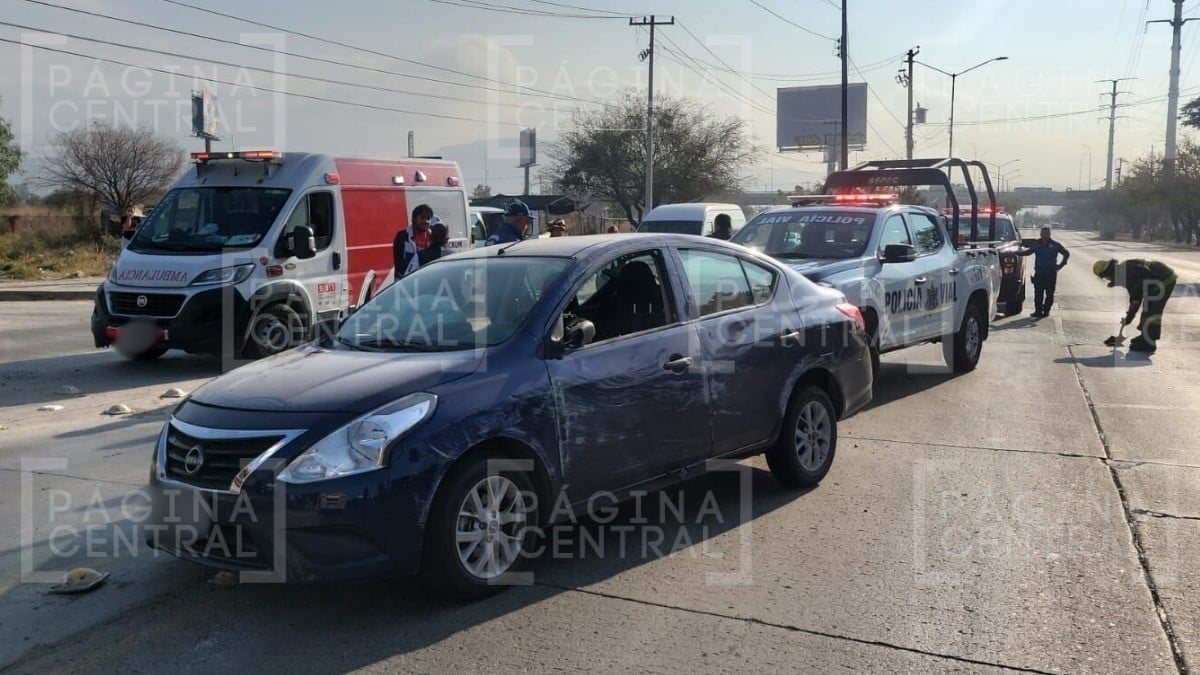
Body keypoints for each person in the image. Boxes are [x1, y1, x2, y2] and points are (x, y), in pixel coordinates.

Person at [1094, 258, 1178, 353]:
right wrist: (1130, 314)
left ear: (1108, 272)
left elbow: (1136, 297)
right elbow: (1135, 294)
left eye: (1106, 277)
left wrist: (1129, 317)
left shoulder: (1126, 272)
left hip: (1165, 279)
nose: (1107, 279)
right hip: (1157, 280)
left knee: (1153, 311)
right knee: (1148, 308)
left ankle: (1149, 343)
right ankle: (1145, 337)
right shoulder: (1122, 270)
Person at [1016, 226, 1069, 318]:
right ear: (1040, 234)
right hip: (1039, 273)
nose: (1044, 235)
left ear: (1049, 234)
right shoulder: (1037, 244)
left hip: (1051, 273)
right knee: (1038, 293)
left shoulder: (1055, 245)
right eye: (1043, 233)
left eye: (1046, 233)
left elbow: (1066, 253)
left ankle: (1046, 310)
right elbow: (1028, 252)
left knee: (1049, 293)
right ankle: (1038, 310)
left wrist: (1061, 265)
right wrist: (1015, 252)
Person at [393, 204, 429, 279]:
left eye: (428, 218)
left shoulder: (432, 236)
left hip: (426, 279)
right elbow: (399, 265)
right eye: (422, 218)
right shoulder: (402, 236)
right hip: (407, 281)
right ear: (414, 219)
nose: (425, 221)